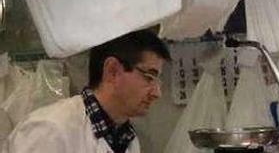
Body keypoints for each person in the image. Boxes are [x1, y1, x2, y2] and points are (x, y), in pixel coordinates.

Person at [3, 30, 170, 152]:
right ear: (112, 70)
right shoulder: (50, 131)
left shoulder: (127, 138)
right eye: (149, 77)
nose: (157, 93)